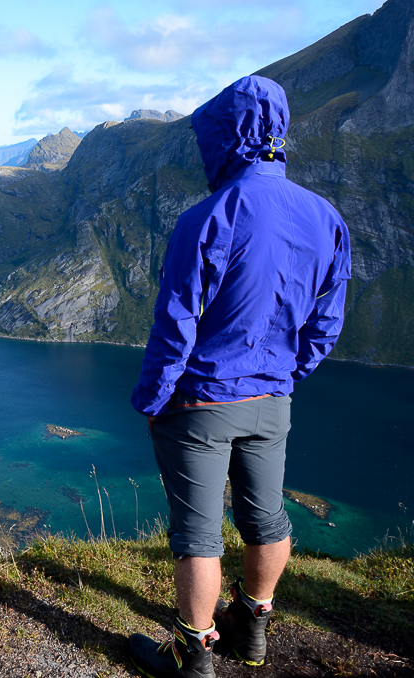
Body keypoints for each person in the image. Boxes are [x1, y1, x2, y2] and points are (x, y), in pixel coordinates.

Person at [128, 74, 351, 678]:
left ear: (225, 137)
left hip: (199, 401)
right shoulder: (326, 218)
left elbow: (177, 321)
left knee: (198, 535)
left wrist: (153, 397)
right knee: (267, 518)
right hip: (271, 398)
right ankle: (252, 627)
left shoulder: (207, 217)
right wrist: (283, 375)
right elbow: (325, 326)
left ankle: (192, 656)